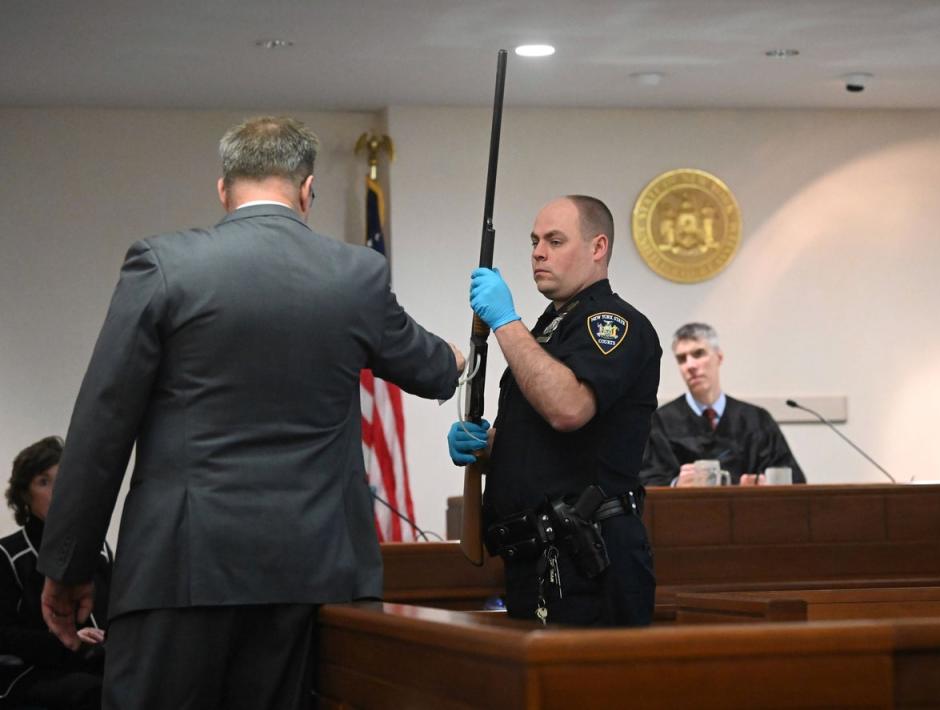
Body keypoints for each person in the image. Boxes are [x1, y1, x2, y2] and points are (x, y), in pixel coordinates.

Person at [35, 116, 463, 710]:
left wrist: (69, 565)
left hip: (179, 569)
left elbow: (103, 425)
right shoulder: (356, 276)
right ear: (307, 189)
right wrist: (466, 346)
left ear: (223, 189)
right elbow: (435, 369)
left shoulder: (164, 266)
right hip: (311, 575)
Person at [448, 195, 660, 627]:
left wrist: (506, 322)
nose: (538, 252)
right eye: (534, 241)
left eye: (555, 241)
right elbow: (546, 441)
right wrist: (489, 447)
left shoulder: (613, 323)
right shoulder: (549, 330)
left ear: (598, 248)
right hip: (537, 556)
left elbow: (567, 409)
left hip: (590, 558)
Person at [1, 436, 111, 710]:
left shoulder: (97, 548)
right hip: (31, 672)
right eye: (43, 481)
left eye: (64, 479)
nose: (58, 490)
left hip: (97, 662)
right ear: (24, 495)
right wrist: (68, 641)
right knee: (93, 694)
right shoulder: (8, 554)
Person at [639, 322, 805, 486]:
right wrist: (675, 484)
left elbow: (792, 479)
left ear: (719, 357)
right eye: (682, 359)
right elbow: (645, 480)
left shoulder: (756, 420)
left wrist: (764, 484)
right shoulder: (660, 422)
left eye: (698, 354)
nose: (690, 365)